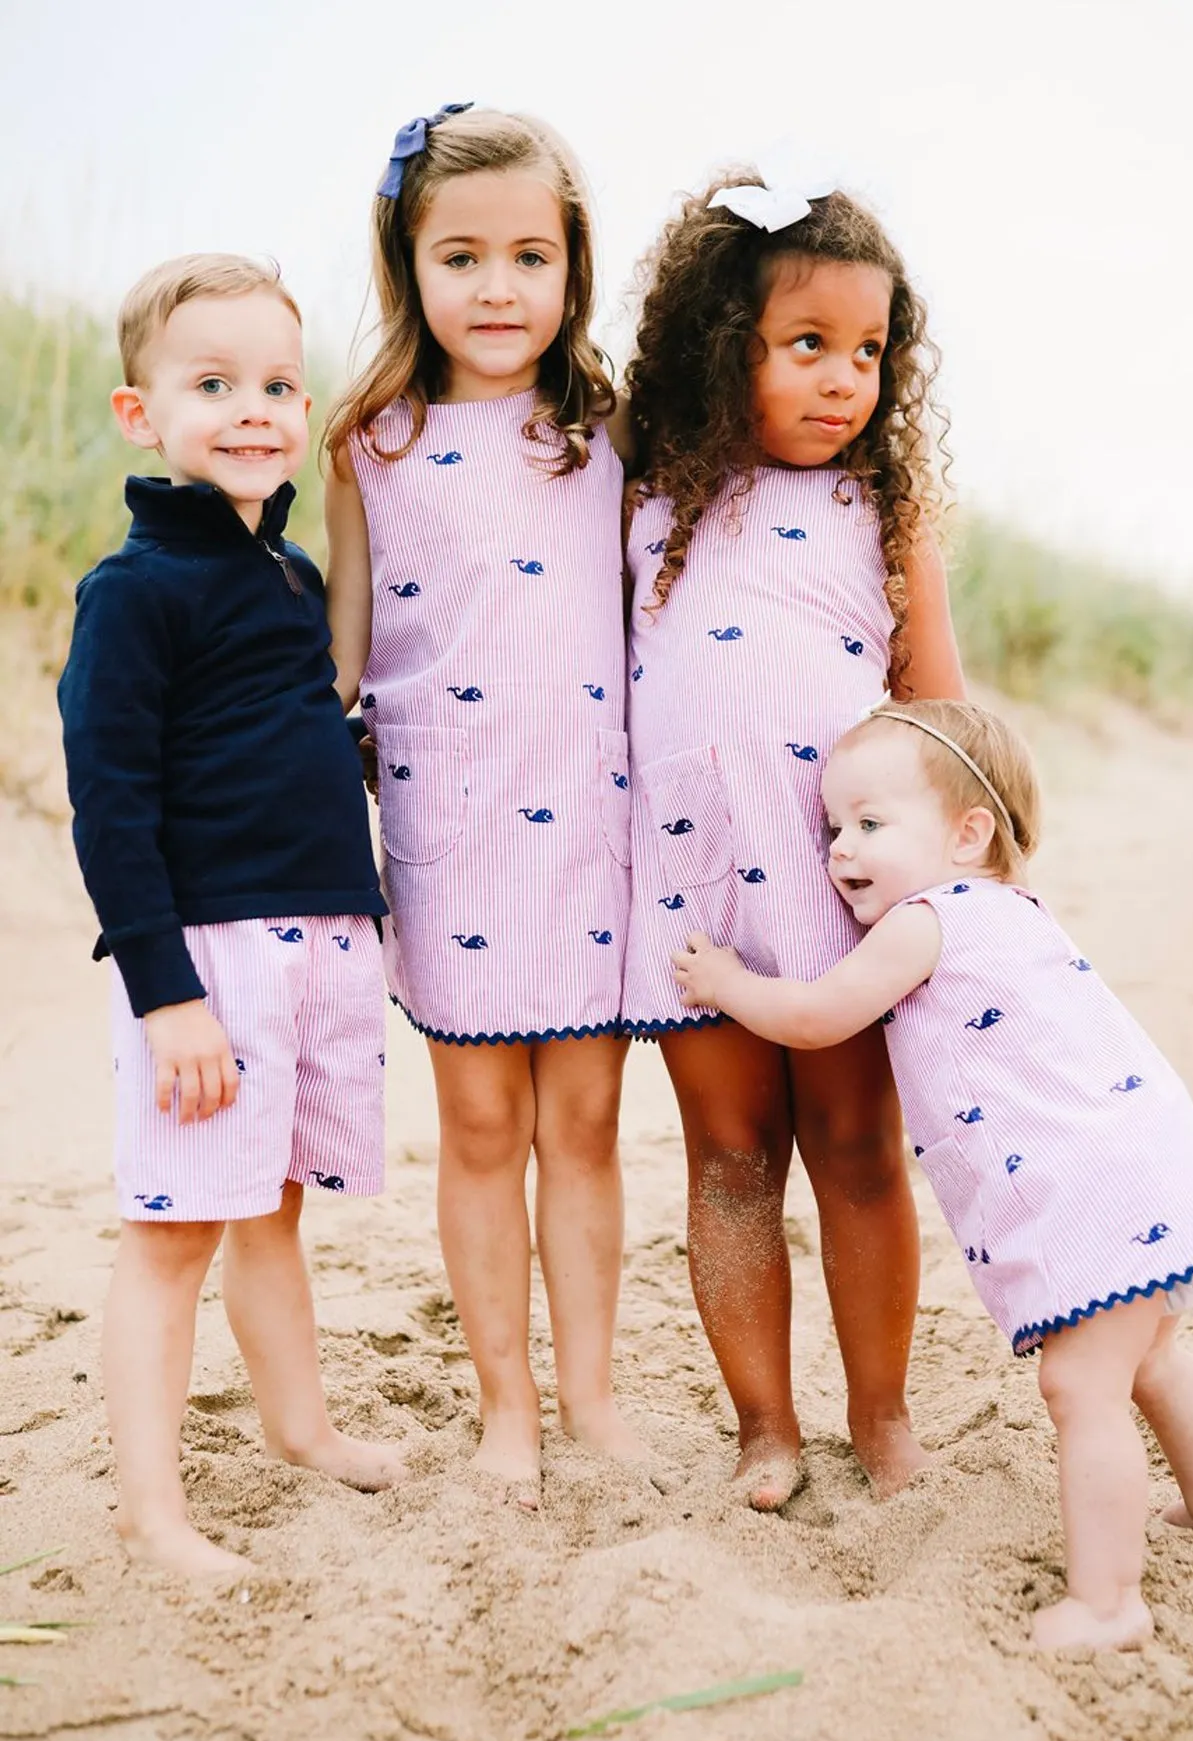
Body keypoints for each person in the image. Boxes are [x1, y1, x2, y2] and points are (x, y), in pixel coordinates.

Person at [672, 697, 1193, 1649]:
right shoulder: (1015, 909)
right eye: (833, 826)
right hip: (1147, 1166)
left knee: (1083, 1389)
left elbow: (823, 1014)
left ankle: (1109, 1601)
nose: (838, 848)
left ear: (968, 832)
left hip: (1085, 1196)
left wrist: (726, 983)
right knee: (1152, 1354)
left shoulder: (925, 921)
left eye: (870, 824)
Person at [617, 172, 966, 1508]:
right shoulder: (649, 500)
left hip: (845, 890)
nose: (841, 379)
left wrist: (975, 870)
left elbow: (937, 708)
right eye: (805, 344)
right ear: (726, 346)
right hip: (694, 887)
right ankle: (765, 1423)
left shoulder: (887, 513)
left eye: (868, 352)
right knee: (730, 1162)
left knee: (862, 1152)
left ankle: (879, 1417)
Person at [58, 254, 403, 1577]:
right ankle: (154, 1513)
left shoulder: (287, 574)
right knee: (171, 1231)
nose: (252, 407)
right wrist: (166, 993)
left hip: (315, 938)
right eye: (212, 383)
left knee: (272, 1207)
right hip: (208, 957)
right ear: (141, 413)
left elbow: (282, 731)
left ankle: (300, 1427)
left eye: (274, 383)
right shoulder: (134, 591)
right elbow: (111, 802)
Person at [323, 105, 640, 1509]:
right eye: (462, 256)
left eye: (529, 255)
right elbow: (338, 652)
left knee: (582, 1130)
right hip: (446, 826)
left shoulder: (605, 428)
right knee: (475, 1132)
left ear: (572, 266)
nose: (498, 287)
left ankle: (590, 1400)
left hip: (589, 823)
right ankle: (502, 1407)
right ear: (409, 261)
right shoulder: (366, 441)